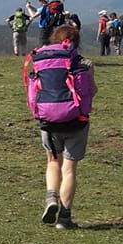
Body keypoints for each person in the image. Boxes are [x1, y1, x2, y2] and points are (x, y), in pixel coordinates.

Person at [25, 23, 96, 230]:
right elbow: (92, 91)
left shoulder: (41, 60)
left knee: (52, 162)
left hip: (48, 120)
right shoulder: (84, 63)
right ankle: (64, 219)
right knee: (69, 168)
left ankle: (51, 198)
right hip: (76, 121)